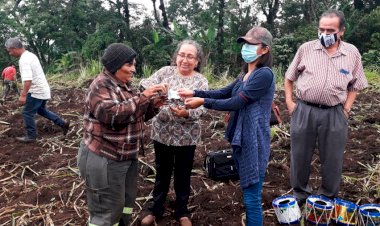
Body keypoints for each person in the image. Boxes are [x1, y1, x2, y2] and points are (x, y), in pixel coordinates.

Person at [178, 27, 275, 226]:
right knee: (248, 193)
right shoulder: (245, 75)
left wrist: (202, 101)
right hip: (244, 139)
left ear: (264, 49)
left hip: (254, 141)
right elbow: (224, 92)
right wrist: (193, 92)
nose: (246, 48)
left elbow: (237, 102)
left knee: (252, 198)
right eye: (245, 44)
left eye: (251, 44)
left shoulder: (264, 74)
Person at [77, 43, 167, 226]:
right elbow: (113, 116)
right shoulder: (100, 85)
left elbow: (133, 115)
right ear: (115, 65)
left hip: (126, 156)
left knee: (125, 202)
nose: (134, 69)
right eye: (129, 65)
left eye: (134, 64)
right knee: (106, 210)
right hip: (105, 157)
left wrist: (153, 105)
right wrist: (143, 97)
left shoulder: (123, 85)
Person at [284, 9, 368, 205]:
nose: (325, 34)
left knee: (332, 158)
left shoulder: (352, 53)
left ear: (342, 31)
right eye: (322, 29)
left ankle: (326, 198)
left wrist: (346, 109)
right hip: (304, 110)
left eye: (330, 30)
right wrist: (290, 103)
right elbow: (289, 78)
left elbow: (355, 85)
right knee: (300, 156)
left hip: (334, 113)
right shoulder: (306, 49)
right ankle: (300, 195)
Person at [140, 40, 208, 226]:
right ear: (176, 57)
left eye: (190, 57)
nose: (185, 60)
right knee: (162, 172)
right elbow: (143, 85)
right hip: (162, 133)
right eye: (182, 55)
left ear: (197, 61)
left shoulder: (200, 81)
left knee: (182, 174)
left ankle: (181, 211)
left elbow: (203, 107)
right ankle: (156, 208)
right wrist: (156, 90)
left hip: (187, 137)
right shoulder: (164, 72)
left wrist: (187, 113)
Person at [4, 37, 70, 143]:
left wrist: (23, 95)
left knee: (26, 112)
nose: (10, 53)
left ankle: (31, 136)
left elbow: (28, 80)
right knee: (41, 110)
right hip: (43, 90)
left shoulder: (24, 60)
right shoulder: (31, 55)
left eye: (10, 51)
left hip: (36, 91)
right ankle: (62, 123)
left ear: (14, 48)